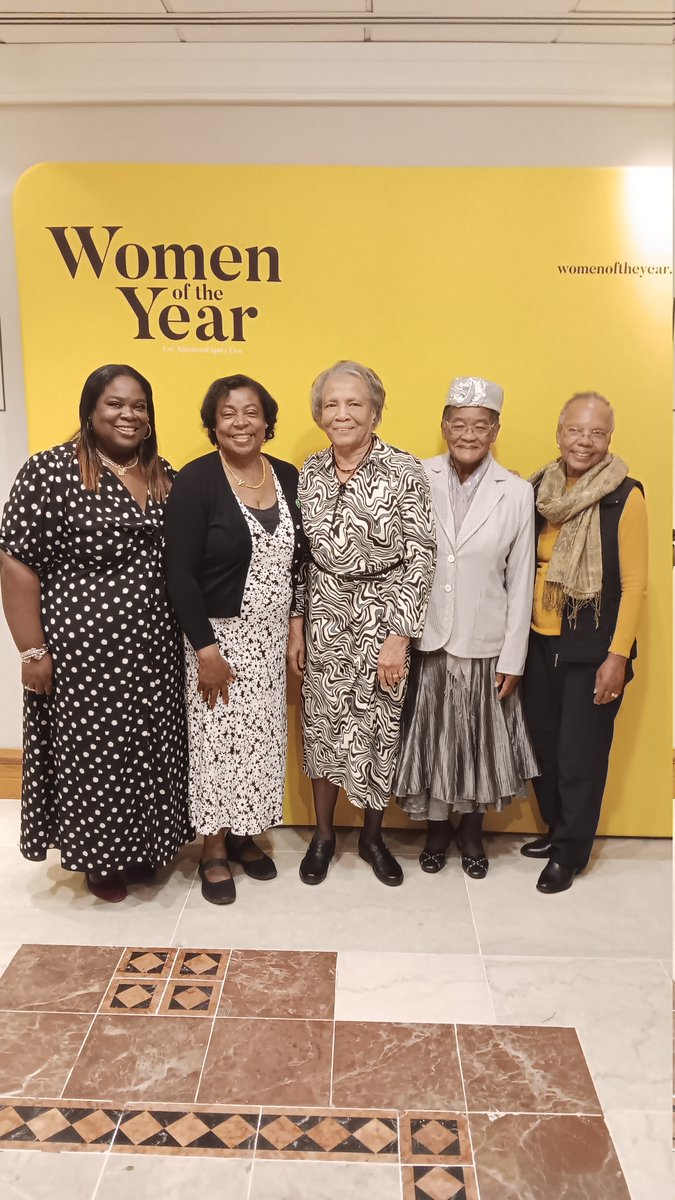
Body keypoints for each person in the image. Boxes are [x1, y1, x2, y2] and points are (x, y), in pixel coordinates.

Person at [0, 364, 192, 902]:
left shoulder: (161, 472)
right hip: (84, 651)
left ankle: (145, 847)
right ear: (89, 411)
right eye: (115, 404)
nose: (129, 415)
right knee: (97, 754)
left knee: (150, 748)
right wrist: (31, 649)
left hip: (155, 648)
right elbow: (17, 564)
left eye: (139, 406)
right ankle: (101, 860)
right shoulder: (50, 472)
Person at [287, 360, 436, 887]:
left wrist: (400, 635)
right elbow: (299, 557)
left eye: (354, 403)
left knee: (378, 730)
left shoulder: (404, 469)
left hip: (383, 618)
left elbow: (420, 556)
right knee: (322, 729)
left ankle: (373, 837)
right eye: (332, 404)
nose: (342, 413)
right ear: (319, 413)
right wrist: (297, 624)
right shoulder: (307, 472)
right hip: (325, 612)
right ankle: (324, 835)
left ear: (374, 411)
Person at [164, 374, 307, 905]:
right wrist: (205, 651)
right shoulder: (198, 481)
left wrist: (295, 625)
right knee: (218, 745)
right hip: (217, 639)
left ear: (268, 421)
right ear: (213, 424)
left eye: (251, 412)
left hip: (269, 638)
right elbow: (178, 573)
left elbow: (300, 566)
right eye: (229, 413)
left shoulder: (289, 477)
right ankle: (213, 849)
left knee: (260, 743)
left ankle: (247, 834)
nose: (241, 422)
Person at [393, 376, 538, 877]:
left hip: (484, 641)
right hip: (428, 634)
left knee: (476, 743)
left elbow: (520, 582)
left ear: (495, 430)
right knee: (432, 739)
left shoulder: (516, 492)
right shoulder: (415, 475)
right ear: (444, 426)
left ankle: (471, 833)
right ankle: (436, 831)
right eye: (458, 424)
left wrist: (514, 658)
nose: (468, 434)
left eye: (480, 426)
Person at [521, 391, 647, 893]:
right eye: (576, 430)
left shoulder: (625, 494)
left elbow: (635, 585)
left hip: (593, 646)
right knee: (543, 746)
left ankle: (570, 852)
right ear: (559, 433)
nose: (585, 442)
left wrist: (617, 657)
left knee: (580, 754)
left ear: (609, 439)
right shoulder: (539, 489)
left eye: (597, 433)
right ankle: (558, 831)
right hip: (538, 641)